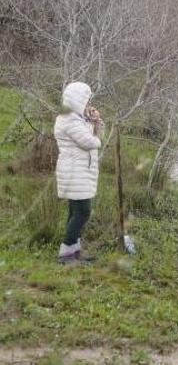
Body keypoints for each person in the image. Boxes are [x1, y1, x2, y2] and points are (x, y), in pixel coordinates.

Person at [54, 82, 103, 264]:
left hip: (79, 171)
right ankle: (66, 253)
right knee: (83, 211)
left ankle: (73, 251)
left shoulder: (77, 118)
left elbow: (95, 135)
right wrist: (96, 137)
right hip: (74, 172)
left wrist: (95, 121)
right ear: (77, 99)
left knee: (75, 211)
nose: (88, 102)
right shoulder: (69, 119)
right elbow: (90, 142)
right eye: (86, 99)